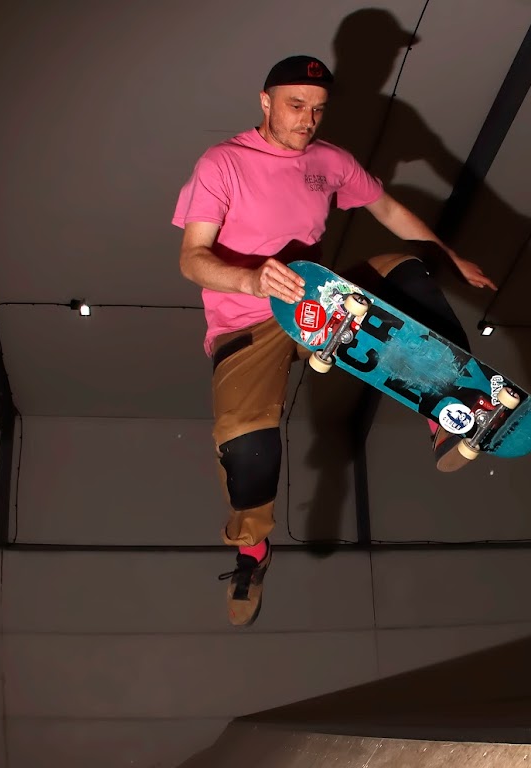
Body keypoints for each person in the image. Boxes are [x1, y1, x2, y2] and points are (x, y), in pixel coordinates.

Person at [172, 55, 496, 626]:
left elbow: (388, 208)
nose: (307, 121)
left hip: (316, 304)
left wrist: (449, 255)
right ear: (265, 101)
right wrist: (250, 279)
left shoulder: (330, 161)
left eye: (318, 110)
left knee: (405, 272)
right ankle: (252, 550)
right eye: (295, 106)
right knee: (246, 448)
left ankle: (447, 403)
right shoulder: (222, 162)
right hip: (244, 322)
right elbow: (191, 258)